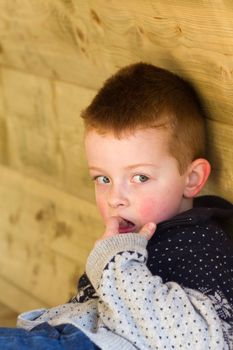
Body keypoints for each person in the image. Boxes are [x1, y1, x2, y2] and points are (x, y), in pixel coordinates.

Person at [1, 63, 233, 349]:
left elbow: (200, 342)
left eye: (139, 177)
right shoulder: (131, 238)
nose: (115, 197)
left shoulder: (200, 243)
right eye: (103, 178)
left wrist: (114, 263)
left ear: (192, 178)